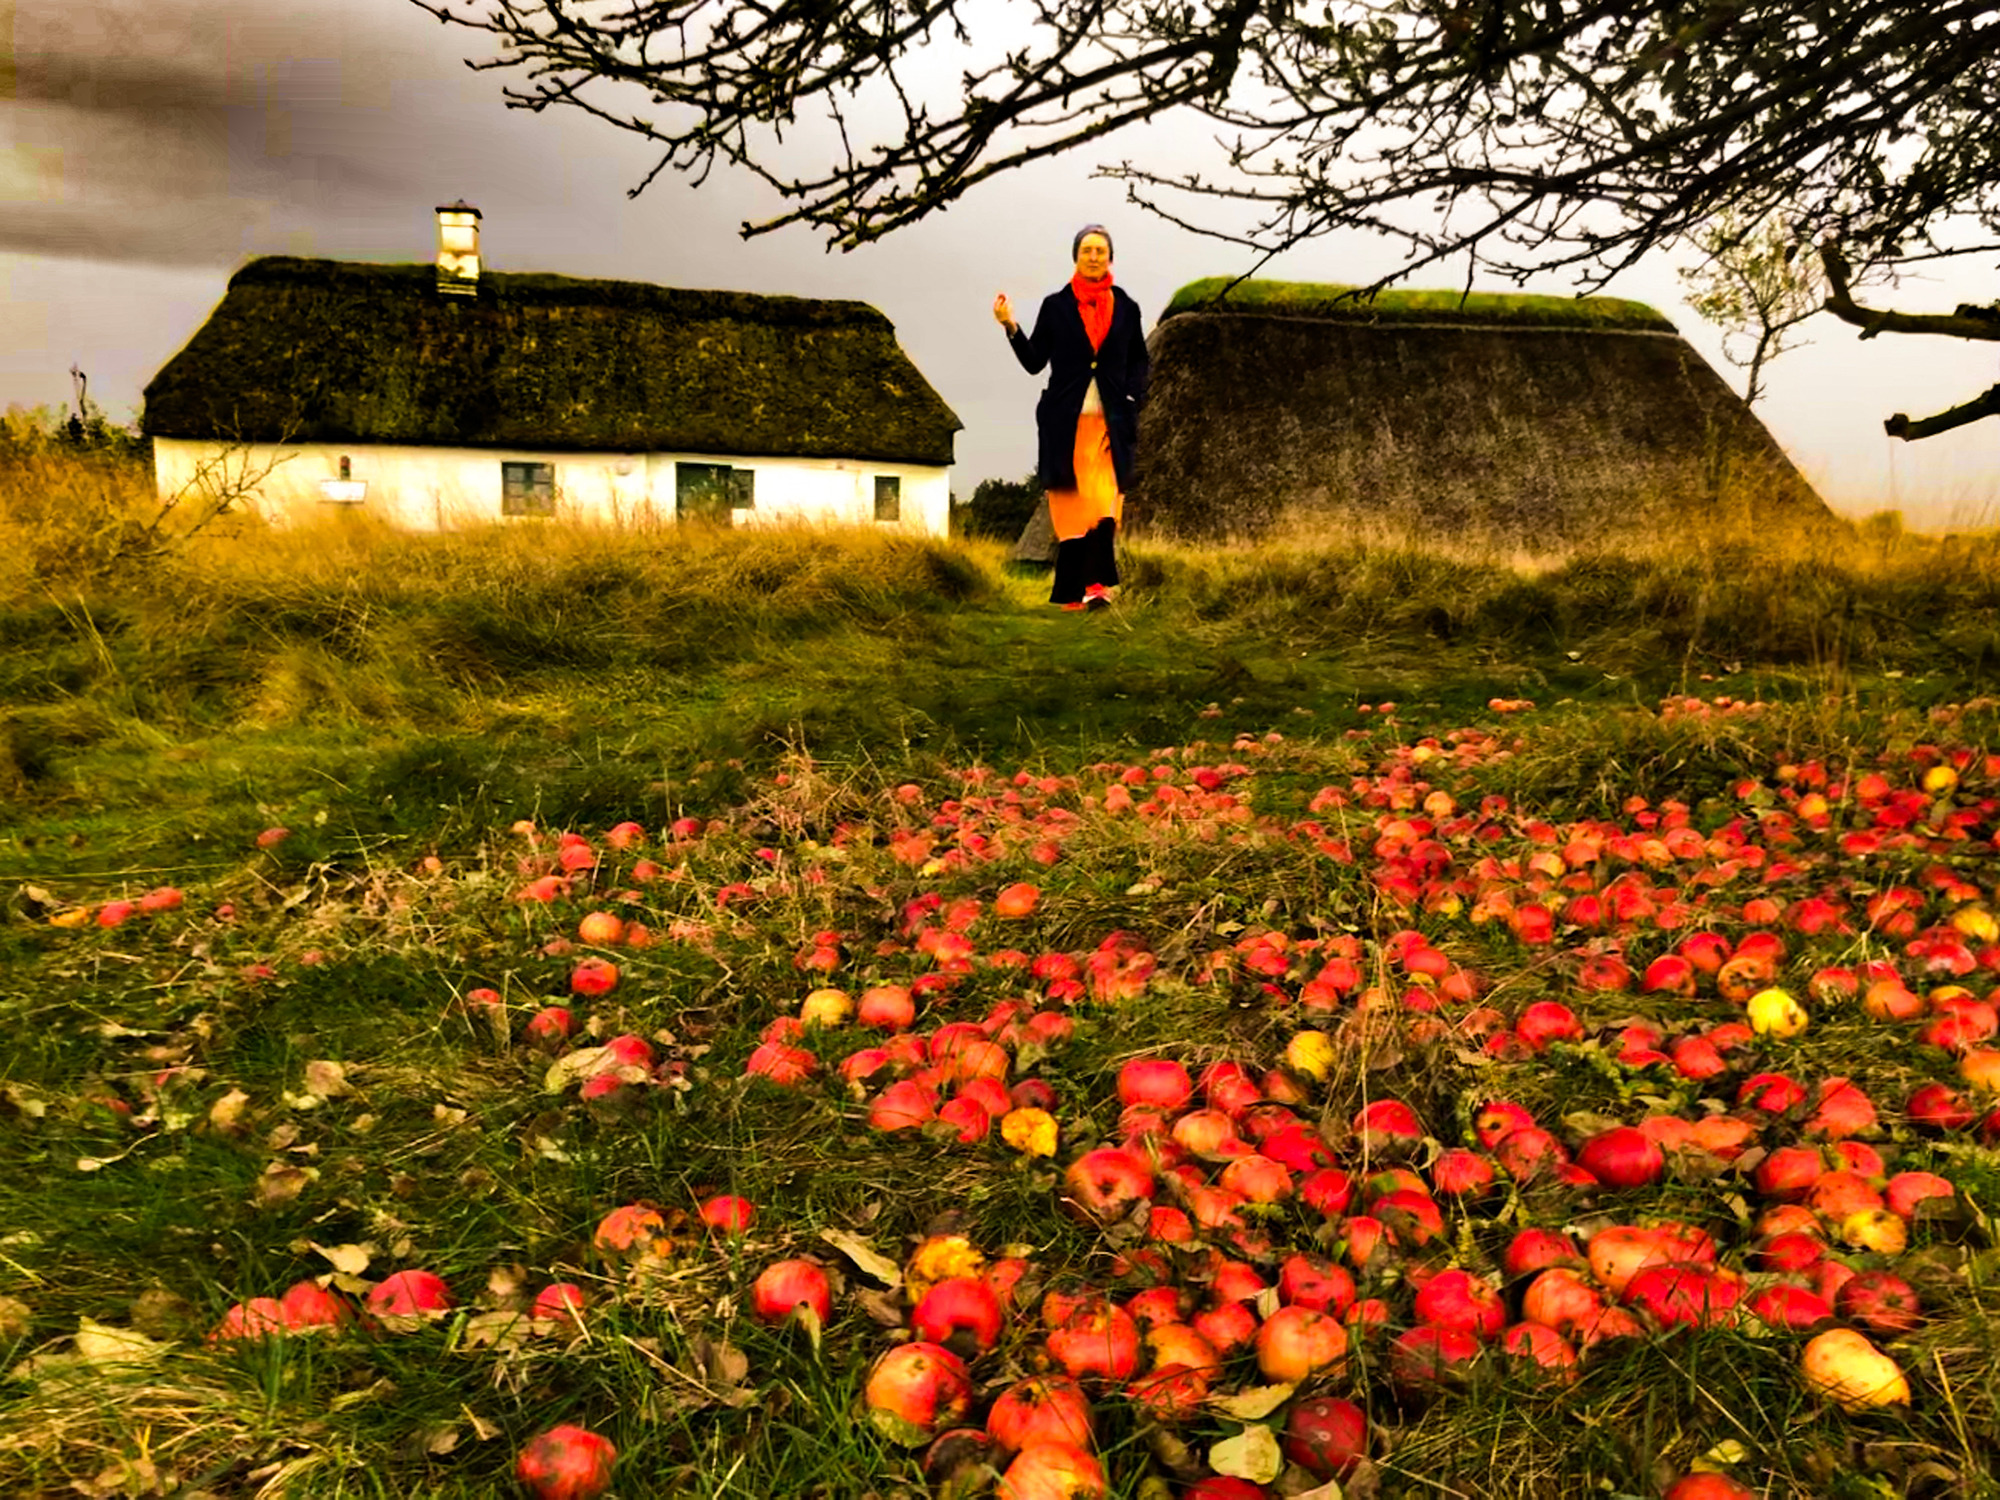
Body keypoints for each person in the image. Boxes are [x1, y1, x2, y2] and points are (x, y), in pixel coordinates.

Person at [993, 225, 1149, 610]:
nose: (1093, 256)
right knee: (1070, 507)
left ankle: (1097, 587)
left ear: (1110, 257)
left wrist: (1132, 394)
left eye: (1100, 250)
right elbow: (1034, 362)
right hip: (1065, 423)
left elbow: (1139, 360)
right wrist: (1010, 326)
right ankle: (1071, 591)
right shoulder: (1055, 307)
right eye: (1086, 250)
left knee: (1101, 501)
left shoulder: (1127, 308)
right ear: (1075, 257)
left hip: (1108, 423)